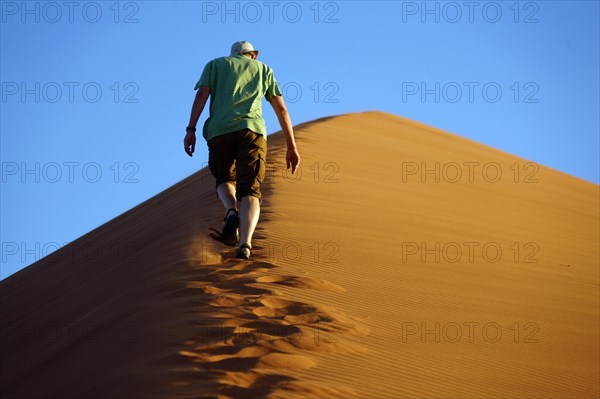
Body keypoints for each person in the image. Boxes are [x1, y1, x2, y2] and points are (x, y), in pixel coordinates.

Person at [184, 41, 300, 260]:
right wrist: (291, 146)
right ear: (250, 55)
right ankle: (245, 244)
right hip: (252, 132)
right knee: (251, 190)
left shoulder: (215, 65)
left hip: (219, 132)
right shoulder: (264, 69)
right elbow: (282, 108)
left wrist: (191, 129)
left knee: (224, 179)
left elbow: (201, 95)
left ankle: (230, 211)